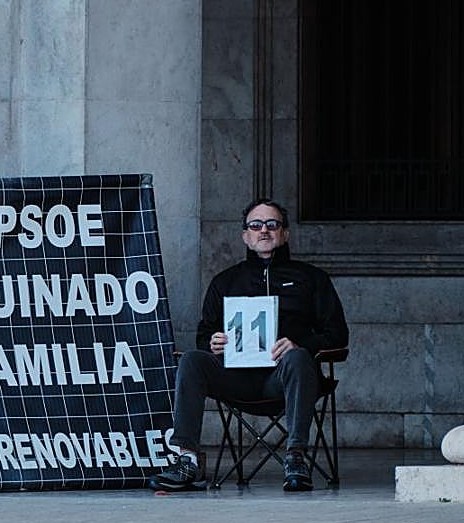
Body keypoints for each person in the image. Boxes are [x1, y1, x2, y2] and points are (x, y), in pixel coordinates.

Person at [149, 198, 348, 492]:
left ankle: (295, 457)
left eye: (272, 224)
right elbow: (203, 335)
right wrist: (212, 343)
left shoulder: (311, 279)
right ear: (245, 235)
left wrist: (299, 344)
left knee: (297, 357)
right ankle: (187, 460)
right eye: (255, 225)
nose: (263, 230)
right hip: (237, 381)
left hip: (286, 380)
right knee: (191, 360)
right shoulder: (225, 281)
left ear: (285, 233)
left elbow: (338, 336)